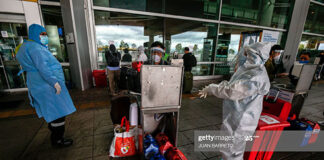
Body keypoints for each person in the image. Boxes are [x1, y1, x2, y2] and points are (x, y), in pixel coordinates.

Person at [198, 42, 272, 160]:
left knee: (233, 151)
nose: (244, 56)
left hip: (242, 120)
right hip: (236, 115)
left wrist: (212, 88)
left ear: (256, 56)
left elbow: (231, 90)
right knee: (228, 148)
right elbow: (231, 84)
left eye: (247, 54)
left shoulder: (256, 76)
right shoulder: (248, 70)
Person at [16, 24, 75, 147]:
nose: (45, 37)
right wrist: (54, 83)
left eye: (45, 34)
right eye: (42, 35)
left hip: (39, 83)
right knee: (58, 113)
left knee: (52, 111)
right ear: (35, 35)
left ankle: (55, 132)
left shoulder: (26, 46)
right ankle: (58, 140)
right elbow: (43, 68)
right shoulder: (35, 48)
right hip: (47, 85)